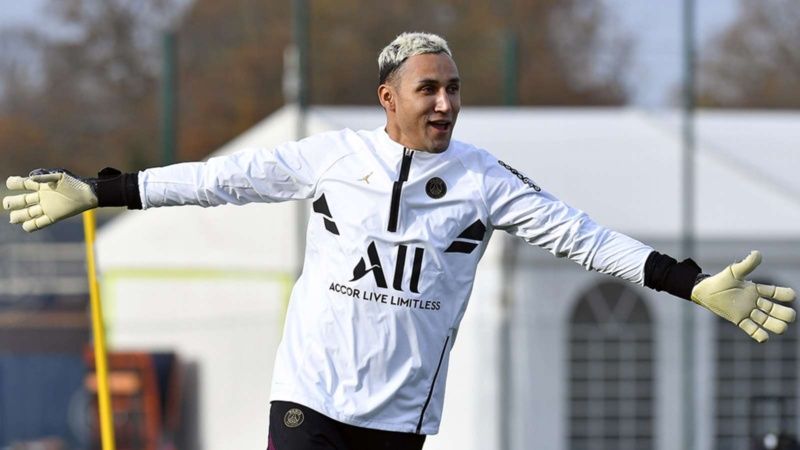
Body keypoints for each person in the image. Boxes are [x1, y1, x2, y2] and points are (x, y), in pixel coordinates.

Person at [3, 32, 796, 450]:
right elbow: (220, 179)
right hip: (309, 404)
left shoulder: (486, 180)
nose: (445, 103)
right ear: (389, 97)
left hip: (399, 423)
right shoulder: (333, 158)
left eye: (453, 88)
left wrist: (691, 282)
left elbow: (585, 240)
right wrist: (99, 190)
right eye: (429, 89)